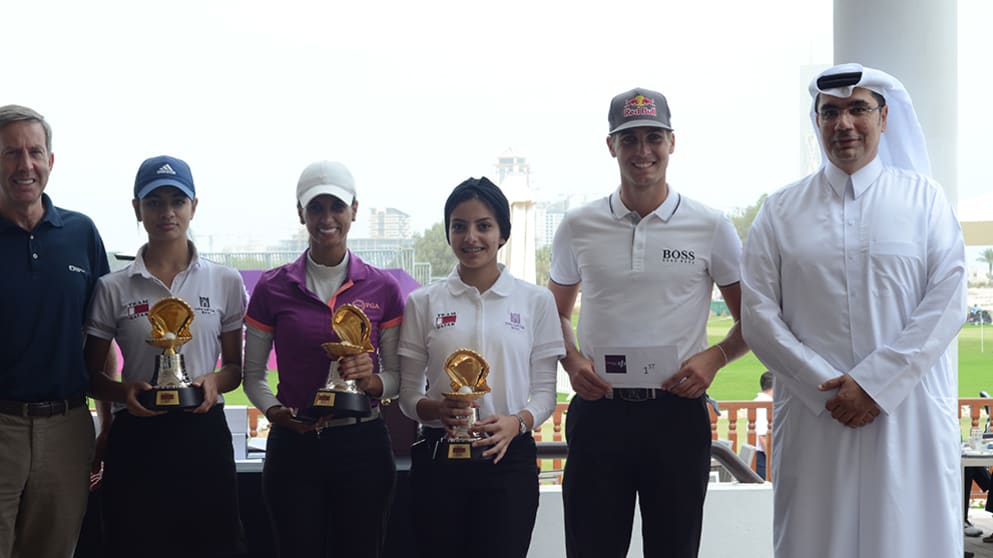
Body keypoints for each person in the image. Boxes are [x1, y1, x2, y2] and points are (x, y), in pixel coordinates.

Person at [740, 63, 967, 558]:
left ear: (884, 118)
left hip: (906, 420)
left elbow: (948, 298)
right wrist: (828, 389)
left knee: (910, 538)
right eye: (830, 112)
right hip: (815, 417)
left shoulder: (924, 200)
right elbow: (758, 314)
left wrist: (874, 384)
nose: (844, 124)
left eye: (858, 109)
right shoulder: (780, 211)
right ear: (816, 122)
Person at [549, 88, 748, 558]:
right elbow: (554, 312)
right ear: (611, 146)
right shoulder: (578, 226)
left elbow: (752, 319)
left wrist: (715, 358)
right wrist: (573, 361)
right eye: (630, 139)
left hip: (676, 416)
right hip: (600, 413)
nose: (643, 152)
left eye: (654, 137)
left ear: (672, 142)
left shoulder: (710, 225)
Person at [84, 155, 247, 558]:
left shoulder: (225, 281)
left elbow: (234, 369)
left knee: (213, 545)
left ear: (194, 206)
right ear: (137, 209)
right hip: (137, 436)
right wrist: (126, 393)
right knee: (134, 543)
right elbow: (90, 374)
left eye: (177, 200)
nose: (167, 212)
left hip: (202, 432)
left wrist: (213, 382)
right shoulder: (113, 287)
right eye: (154, 201)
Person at [243, 160, 404, 558]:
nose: (327, 218)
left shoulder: (383, 287)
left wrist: (371, 381)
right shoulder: (273, 286)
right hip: (294, 445)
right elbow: (252, 376)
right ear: (301, 213)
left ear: (354, 210)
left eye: (337, 207)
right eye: (316, 208)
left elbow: (398, 378)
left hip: (362, 443)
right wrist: (275, 412)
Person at [398, 177, 564, 558]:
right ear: (449, 232)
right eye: (459, 226)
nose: (471, 237)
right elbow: (408, 397)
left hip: (508, 461)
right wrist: (437, 410)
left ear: (502, 232)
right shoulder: (423, 302)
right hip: (440, 459)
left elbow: (543, 394)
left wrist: (517, 423)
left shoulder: (535, 301)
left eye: (483, 225)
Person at [0, 104, 111, 558]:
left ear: (50, 161)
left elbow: (103, 337)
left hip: (68, 428)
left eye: (34, 152)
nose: (25, 165)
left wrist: (106, 424)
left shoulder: (81, 233)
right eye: (10, 153)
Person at [752, 371, 773, 480]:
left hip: (763, 454)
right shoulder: (765, 404)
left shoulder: (757, 401)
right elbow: (762, 436)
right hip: (762, 456)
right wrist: (771, 459)